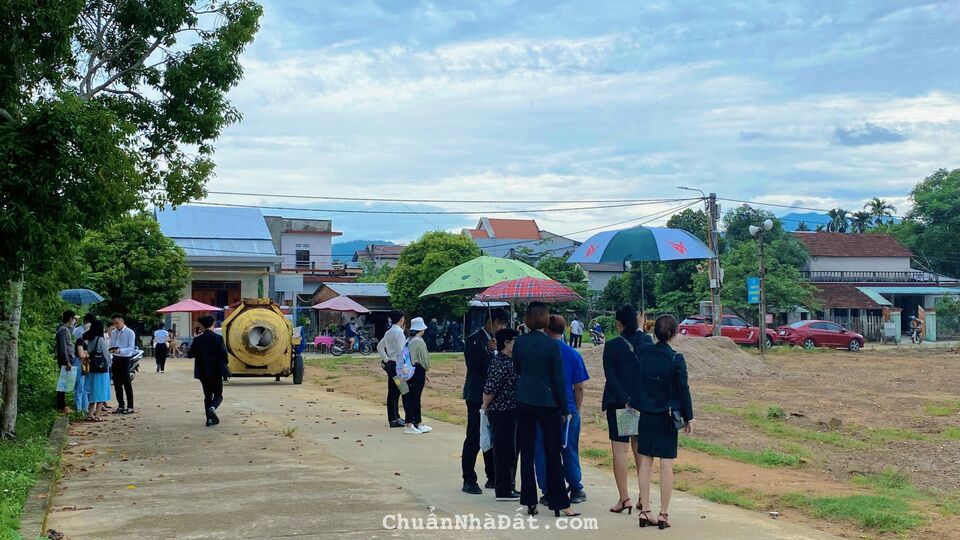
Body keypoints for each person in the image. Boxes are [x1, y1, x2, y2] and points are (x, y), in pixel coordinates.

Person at [513, 303, 579, 518]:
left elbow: (518, 370)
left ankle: (530, 501)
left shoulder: (519, 343)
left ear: (527, 319)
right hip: (548, 403)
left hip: (524, 400)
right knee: (553, 453)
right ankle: (561, 502)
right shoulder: (551, 346)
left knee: (527, 451)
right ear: (545, 319)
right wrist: (564, 408)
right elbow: (559, 380)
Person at [631, 315, 694, 529]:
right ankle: (663, 514)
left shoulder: (645, 352)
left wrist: (640, 327)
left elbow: (639, 341)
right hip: (667, 416)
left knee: (645, 462)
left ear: (654, 332)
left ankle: (645, 511)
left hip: (647, 414)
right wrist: (689, 417)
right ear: (675, 334)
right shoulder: (677, 359)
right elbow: (683, 390)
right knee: (666, 464)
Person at [602, 305, 652, 514]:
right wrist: (640, 329)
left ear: (619, 323)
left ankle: (624, 498)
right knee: (640, 449)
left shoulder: (613, 345)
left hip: (621, 404)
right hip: (641, 403)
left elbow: (610, 377)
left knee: (620, 450)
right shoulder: (646, 341)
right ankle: (644, 495)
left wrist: (624, 400)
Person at [534, 315, 589, 505]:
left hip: (543, 407)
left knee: (542, 449)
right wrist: (577, 410)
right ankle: (575, 488)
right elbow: (579, 387)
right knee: (570, 449)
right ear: (564, 329)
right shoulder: (573, 354)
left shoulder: (540, 353)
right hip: (568, 410)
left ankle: (547, 489)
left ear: (547, 330)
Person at [461, 308, 509, 495]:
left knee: (492, 438)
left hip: (493, 396)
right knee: (474, 437)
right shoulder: (474, 339)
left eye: (504, 325)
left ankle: (493, 476)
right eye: (500, 323)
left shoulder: (498, 341)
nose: (502, 327)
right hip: (476, 395)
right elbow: (473, 365)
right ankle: (469, 479)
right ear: (491, 321)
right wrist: (487, 350)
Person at [481, 328, 521, 501]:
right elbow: (490, 389)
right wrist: (485, 406)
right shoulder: (499, 362)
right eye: (515, 340)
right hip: (501, 411)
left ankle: (510, 485)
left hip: (513, 411)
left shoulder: (513, 361)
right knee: (504, 451)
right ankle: (503, 489)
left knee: (512, 450)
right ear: (507, 343)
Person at [188, 315, 230, 426]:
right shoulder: (218, 338)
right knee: (218, 394)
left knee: (207, 396)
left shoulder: (198, 339)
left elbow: (190, 354)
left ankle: (209, 420)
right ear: (213, 324)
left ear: (202, 326)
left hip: (202, 371)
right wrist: (225, 364)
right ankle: (213, 408)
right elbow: (224, 354)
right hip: (216, 371)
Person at [402, 317, 432, 434]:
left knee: (410, 397)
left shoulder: (408, 340)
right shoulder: (419, 342)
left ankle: (416, 423)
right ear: (421, 329)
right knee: (415, 398)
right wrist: (426, 370)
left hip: (407, 371)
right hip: (417, 370)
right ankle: (413, 423)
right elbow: (424, 359)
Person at [377, 310, 407, 429]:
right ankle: (394, 418)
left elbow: (380, 347)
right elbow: (401, 351)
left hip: (391, 365)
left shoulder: (389, 332)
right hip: (398, 366)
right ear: (401, 319)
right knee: (398, 391)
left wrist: (386, 359)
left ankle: (395, 417)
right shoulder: (399, 332)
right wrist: (404, 366)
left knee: (393, 391)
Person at [83, 319, 112, 422]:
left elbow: (89, 352)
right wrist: (109, 364)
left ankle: (90, 413)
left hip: (93, 368)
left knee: (93, 391)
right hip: (102, 368)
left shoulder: (89, 339)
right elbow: (106, 354)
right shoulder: (100, 339)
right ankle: (98, 415)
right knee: (101, 392)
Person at [109, 314, 137, 414]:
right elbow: (112, 344)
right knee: (117, 383)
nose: (116, 325)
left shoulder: (130, 332)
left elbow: (131, 348)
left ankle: (130, 406)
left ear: (122, 321)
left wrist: (120, 351)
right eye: (114, 323)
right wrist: (113, 350)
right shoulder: (113, 332)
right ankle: (121, 405)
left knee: (127, 383)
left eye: (117, 322)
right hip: (115, 358)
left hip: (125, 359)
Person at [55, 310, 77, 413]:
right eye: (73, 319)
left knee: (64, 383)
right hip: (65, 360)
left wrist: (75, 323)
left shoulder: (64, 329)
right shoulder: (63, 330)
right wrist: (67, 361)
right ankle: (62, 406)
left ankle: (62, 405)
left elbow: (71, 332)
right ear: (70, 318)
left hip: (66, 359)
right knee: (63, 384)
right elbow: (63, 347)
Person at [73, 313, 96, 415]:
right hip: (80, 363)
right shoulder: (80, 341)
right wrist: (89, 353)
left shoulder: (91, 342)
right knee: (80, 387)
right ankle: (78, 409)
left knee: (86, 387)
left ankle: (85, 408)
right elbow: (81, 355)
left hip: (87, 363)